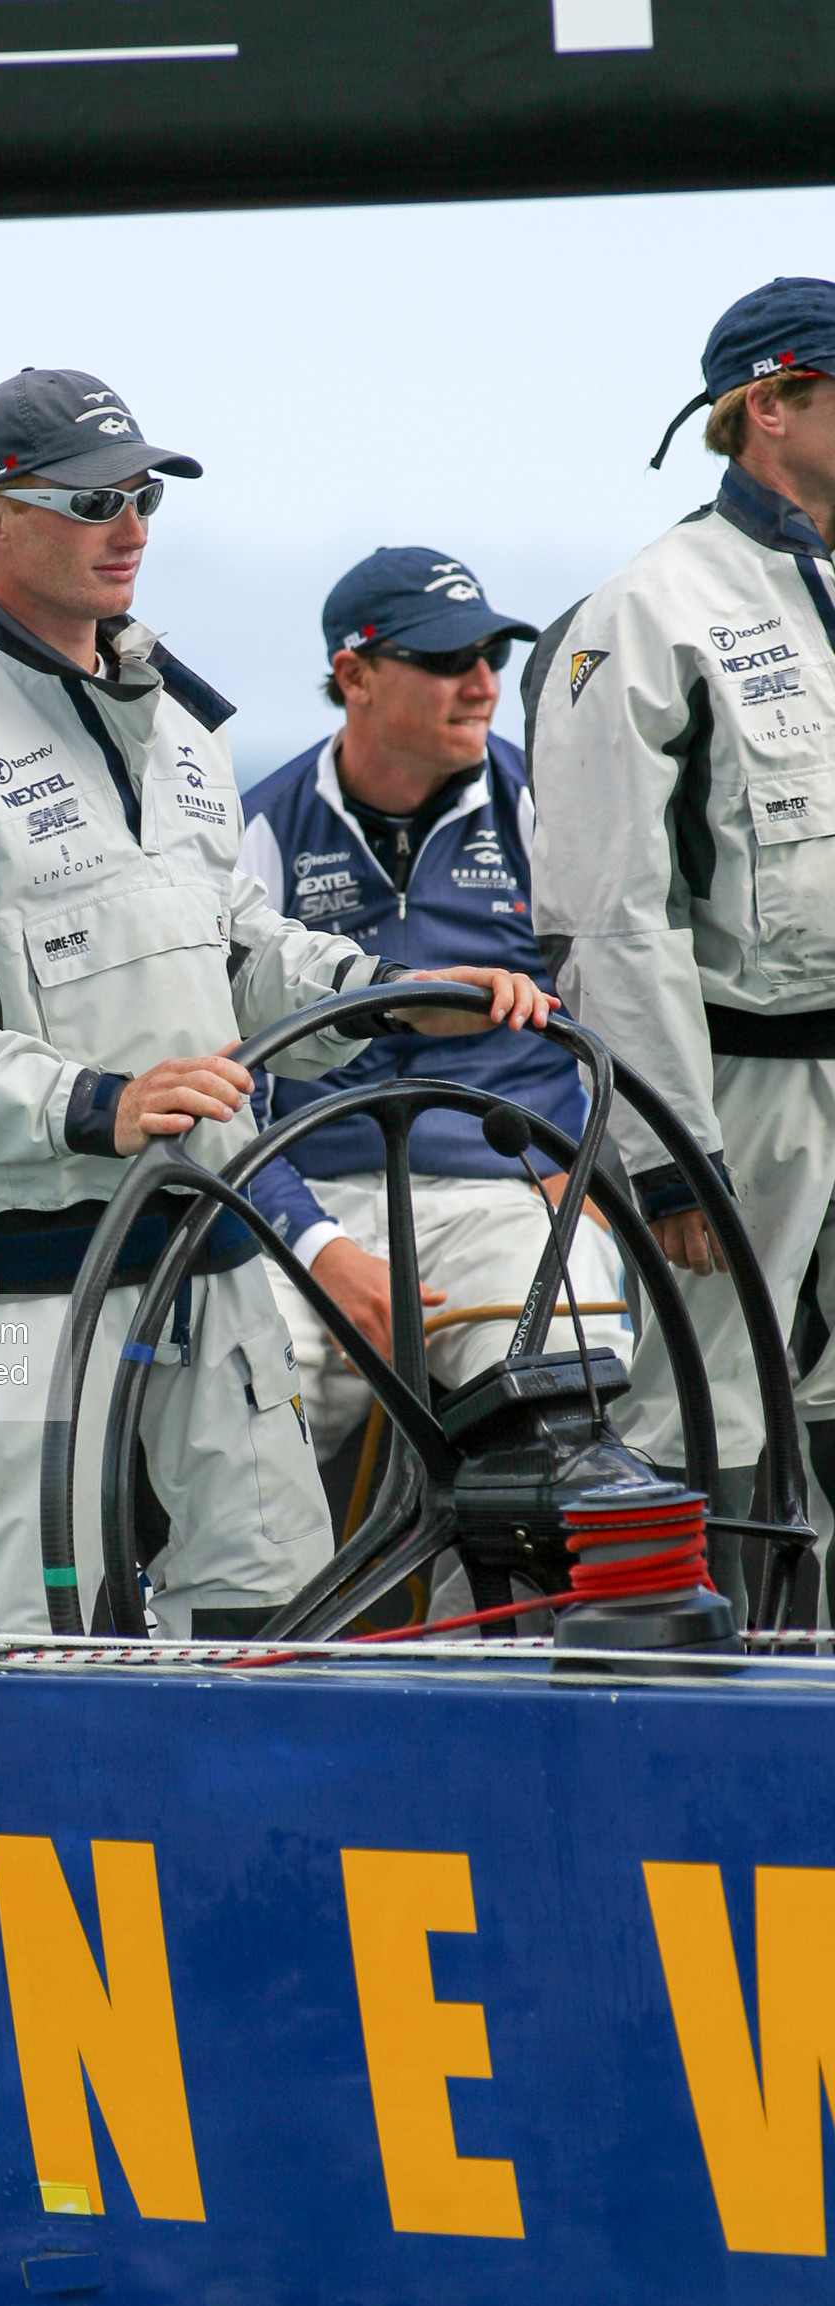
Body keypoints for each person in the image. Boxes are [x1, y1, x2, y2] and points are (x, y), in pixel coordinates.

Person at [0, 368, 554, 1641]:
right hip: (13, 1281)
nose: (129, 526)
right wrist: (97, 1102)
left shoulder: (179, 724)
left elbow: (235, 943)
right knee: (26, 1636)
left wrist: (393, 996)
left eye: (142, 496)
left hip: (214, 1252)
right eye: (92, 502)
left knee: (266, 1614)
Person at [528, 276, 835, 1611]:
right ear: (772, 405)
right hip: (733, 1087)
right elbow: (609, 913)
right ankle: (677, 1701)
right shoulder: (646, 611)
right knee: (703, 1415)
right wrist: (666, 1161)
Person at [240, 548, 630, 1562]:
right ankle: (268, 1641)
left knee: (565, 1401)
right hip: (306, 1203)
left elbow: (624, 1000)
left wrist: (590, 1169)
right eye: (447, 659)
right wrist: (318, 1248)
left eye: (491, 656)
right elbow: (225, 1080)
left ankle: (494, 1639)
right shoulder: (257, 830)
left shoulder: (546, 806)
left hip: (502, 1191)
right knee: (233, 1425)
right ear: (355, 675)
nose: (483, 683)